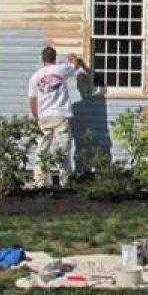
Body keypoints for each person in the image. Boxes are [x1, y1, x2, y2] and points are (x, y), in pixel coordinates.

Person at [27, 45, 89, 188]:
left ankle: (40, 182)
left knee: (42, 150)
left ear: (42, 59)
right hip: (61, 115)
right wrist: (73, 58)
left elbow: (32, 100)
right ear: (54, 58)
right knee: (63, 149)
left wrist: (36, 117)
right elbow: (75, 65)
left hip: (44, 116)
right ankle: (64, 182)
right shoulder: (61, 69)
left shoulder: (35, 77)